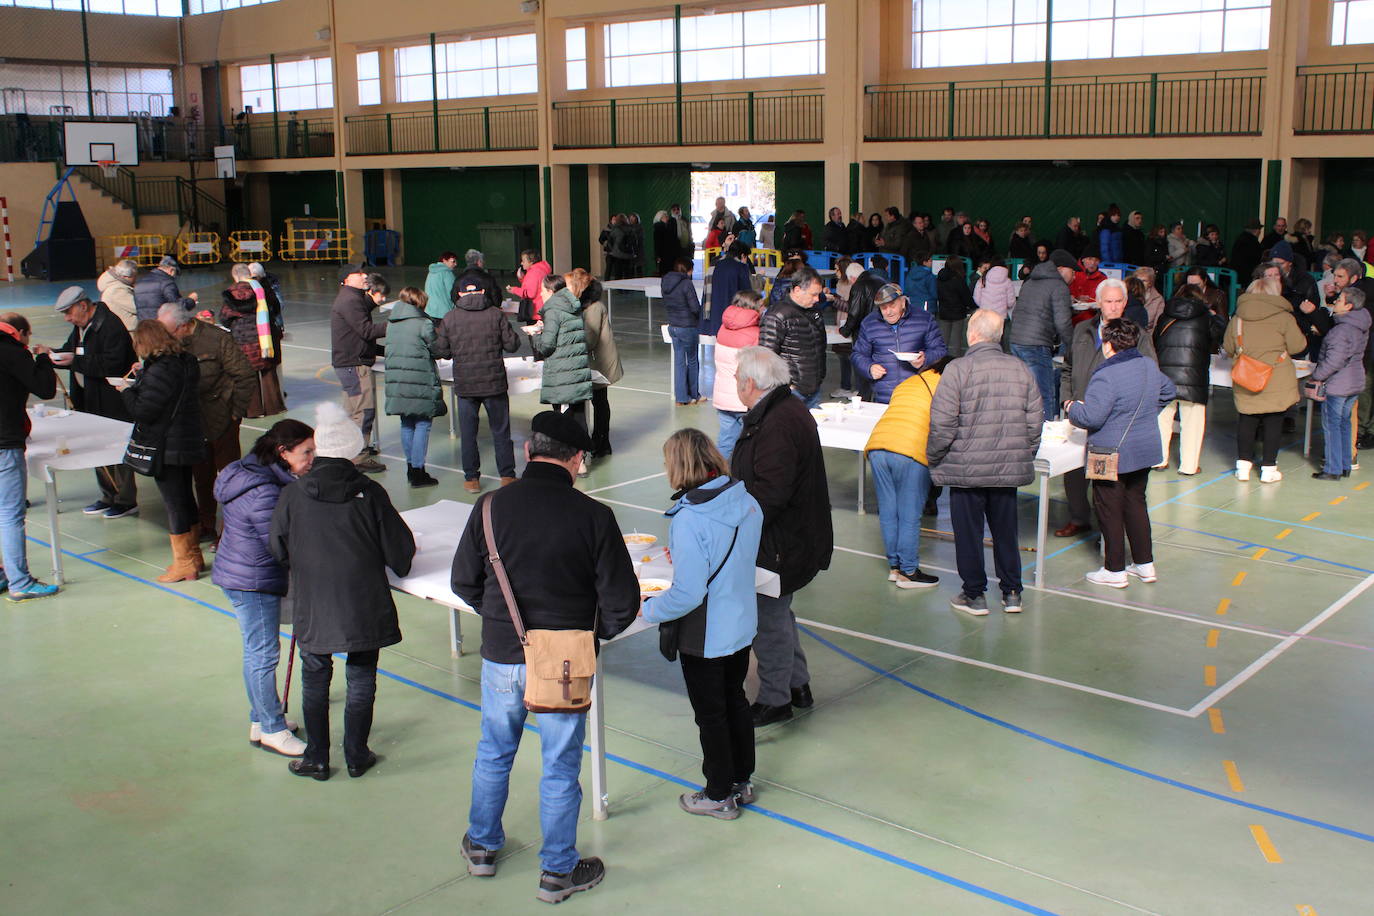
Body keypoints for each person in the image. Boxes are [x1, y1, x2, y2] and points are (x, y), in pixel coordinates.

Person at [451, 411, 639, 904]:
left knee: (494, 750)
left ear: (530, 452)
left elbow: (463, 582)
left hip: (502, 654)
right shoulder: (594, 517)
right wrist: (590, 634)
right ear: (576, 461)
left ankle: (482, 849)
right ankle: (557, 872)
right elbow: (622, 603)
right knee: (559, 765)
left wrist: (500, 622)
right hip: (566, 663)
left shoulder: (490, 507)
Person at [269, 402, 414, 781]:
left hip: (315, 604)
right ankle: (355, 753)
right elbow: (401, 554)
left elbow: (277, 549)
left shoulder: (293, 495)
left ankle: (317, 756)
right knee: (361, 676)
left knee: (315, 676)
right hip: (363, 603)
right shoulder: (370, 493)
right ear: (351, 449)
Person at [642, 428, 764, 820]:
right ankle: (741, 780)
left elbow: (688, 594)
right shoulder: (747, 503)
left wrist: (647, 610)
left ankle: (717, 793)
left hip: (706, 634)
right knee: (736, 701)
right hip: (741, 623)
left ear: (678, 467)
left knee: (710, 714)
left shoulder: (690, 520)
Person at [730, 347, 831, 725]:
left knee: (767, 618)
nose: (735, 382)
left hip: (778, 544)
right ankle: (798, 685)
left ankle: (775, 699)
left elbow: (770, 494)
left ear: (751, 383)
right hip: (795, 537)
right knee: (780, 613)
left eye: (737, 377)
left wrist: (733, 522)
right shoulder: (786, 410)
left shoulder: (775, 424)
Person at [212, 418, 315, 758]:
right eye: (307, 452)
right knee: (263, 654)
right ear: (283, 452)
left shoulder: (251, 472)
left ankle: (260, 719)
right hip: (252, 580)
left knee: (256, 651)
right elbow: (278, 542)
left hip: (241, 572)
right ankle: (272, 728)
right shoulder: (265, 491)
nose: (312, 458)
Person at [927, 310, 1042, 615]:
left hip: (966, 470)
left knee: (969, 535)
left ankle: (974, 595)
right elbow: (1035, 421)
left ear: (971, 334)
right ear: (999, 335)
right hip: (1007, 469)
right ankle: (1012, 592)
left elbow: (943, 423)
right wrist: (1025, 452)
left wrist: (935, 457)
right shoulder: (1020, 368)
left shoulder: (958, 370)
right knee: (1006, 532)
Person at [1065, 319, 1176, 588]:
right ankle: (1144, 564)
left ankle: (1114, 570)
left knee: (1109, 509)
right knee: (1136, 505)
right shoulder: (1147, 365)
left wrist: (1071, 407)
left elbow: (1091, 416)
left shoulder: (1106, 374)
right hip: (1143, 448)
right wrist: (1147, 412)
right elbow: (1169, 391)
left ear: (1108, 344)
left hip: (1109, 451)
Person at [1055, 278, 1158, 537]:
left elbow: (1150, 375)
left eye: (1118, 301)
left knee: (1107, 481)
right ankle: (1078, 518)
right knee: (1074, 472)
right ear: (1098, 302)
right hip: (1079, 413)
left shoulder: (1137, 336)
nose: (1113, 307)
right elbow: (1067, 368)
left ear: (1125, 303)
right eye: (1108, 301)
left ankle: (1107, 531)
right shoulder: (1082, 331)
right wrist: (1067, 400)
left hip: (1114, 421)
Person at [159, 302, 254, 543]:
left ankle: (232, 529)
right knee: (201, 476)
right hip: (192, 421)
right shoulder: (171, 342)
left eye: (170, 331)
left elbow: (244, 374)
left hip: (222, 417)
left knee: (229, 476)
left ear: (183, 326)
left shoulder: (218, 339)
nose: (167, 337)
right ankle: (207, 524)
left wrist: (235, 413)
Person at [122, 320, 207, 581]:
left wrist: (127, 391)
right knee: (185, 498)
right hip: (185, 439)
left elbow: (144, 410)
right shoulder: (186, 362)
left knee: (174, 503)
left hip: (166, 444)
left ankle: (184, 562)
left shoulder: (160, 370)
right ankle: (194, 557)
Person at [45, 286, 139, 518]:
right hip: (89, 399)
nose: (67, 318)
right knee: (96, 447)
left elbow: (112, 365)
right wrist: (52, 354)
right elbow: (71, 352)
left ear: (83, 306)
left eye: (69, 312)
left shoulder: (111, 326)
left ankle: (126, 499)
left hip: (112, 400)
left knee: (117, 449)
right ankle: (108, 495)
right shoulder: (81, 328)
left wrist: (75, 360)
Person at [865, 356, 950, 588]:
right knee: (909, 513)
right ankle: (909, 571)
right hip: (910, 448)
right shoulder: (948, 385)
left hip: (878, 446)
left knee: (889, 510)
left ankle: (895, 566)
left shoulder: (909, 382)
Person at [435, 277, 522, 491]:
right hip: (494, 384)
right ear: (482, 291)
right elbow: (512, 345)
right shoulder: (496, 315)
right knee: (501, 432)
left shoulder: (450, 318)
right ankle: (507, 476)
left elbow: (442, 351)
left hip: (466, 386)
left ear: (461, 294)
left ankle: (471, 479)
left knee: (468, 435)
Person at [1223, 276, 1307, 483]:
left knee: (1246, 420)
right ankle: (1268, 469)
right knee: (1273, 423)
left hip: (1246, 378)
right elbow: (1298, 346)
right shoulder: (1284, 318)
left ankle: (1243, 467)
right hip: (1277, 377)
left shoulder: (1238, 319)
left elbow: (1228, 347)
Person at [0, 313, 59, 601]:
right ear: (20, 333)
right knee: (10, 515)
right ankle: (20, 582)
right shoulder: (13, 353)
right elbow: (46, 389)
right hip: (4, 443)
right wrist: (44, 359)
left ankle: (4, 573)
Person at [1154, 284, 1225, 476]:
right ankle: (1189, 466)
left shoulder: (1165, 316)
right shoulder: (1205, 318)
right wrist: (1216, 316)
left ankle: (1158, 460)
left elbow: (1155, 341)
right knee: (1192, 424)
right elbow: (1219, 335)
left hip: (1164, 376)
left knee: (1162, 420)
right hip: (1194, 377)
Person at [382, 287, 444, 488]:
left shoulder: (392, 323)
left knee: (406, 423)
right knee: (423, 424)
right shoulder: (423, 323)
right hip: (420, 380)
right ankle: (418, 471)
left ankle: (411, 468)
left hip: (398, 379)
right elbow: (436, 349)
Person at [529, 271, 593, 456]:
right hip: (577, 370)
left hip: (562, 373)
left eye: (542, 290)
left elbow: (547, 346)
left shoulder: (552, 310)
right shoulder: (573, 306)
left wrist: (536, 336)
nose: (540, 294)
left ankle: (567, 457)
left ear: (550, 291)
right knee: (579, 416)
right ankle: (582, 457)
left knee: (563, 419)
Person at [330, 263, 386, 473]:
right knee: (363, 411)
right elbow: (366, 330)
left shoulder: (351, 298)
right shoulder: (350, 300)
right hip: (354, 364)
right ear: (347, 278)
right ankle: (358, 457)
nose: (364, 276)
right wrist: (397, 324)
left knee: (352, 410)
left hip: (349, 363)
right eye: (359, 273)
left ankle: (351, 450)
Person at [851, 283, 947, 404]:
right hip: (884, 396)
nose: (888, 312)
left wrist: (925, 359)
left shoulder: (924, 319)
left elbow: (940, 351)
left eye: (892, 306)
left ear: (902, 302)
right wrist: (869, 368)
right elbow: (858, 354)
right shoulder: (869, 323)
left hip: (917, 393)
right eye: (883, 308)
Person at [1311, 286, 1370, 480]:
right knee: (1345, 424)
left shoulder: (1341, 330)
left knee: (1332, 426)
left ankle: (1333, 468)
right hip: (1354, 380)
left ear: (1349, 306)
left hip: (1338, 384)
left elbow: (1334, 361)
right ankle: (1344, 464)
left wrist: (1317, 375)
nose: (1335, 302)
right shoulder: (1360, 324)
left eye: (1339, 300)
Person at [1010, 250, 1076, 422]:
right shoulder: (1059, 286)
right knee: (1044, 394)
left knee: (1023, 392)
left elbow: (1016, 312)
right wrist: (1074, 347)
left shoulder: (1031, 281)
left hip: (1016, 340)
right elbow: (1063, 323)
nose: (1074, 276)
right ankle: (1044, 435)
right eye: (1073, 271)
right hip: (1036, 344)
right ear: (1061, 268)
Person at [220, 263, 287, 419]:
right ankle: (274, 407)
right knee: (268, 372)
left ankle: (253, 411)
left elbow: (224, 317)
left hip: (243, 340)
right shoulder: (262, 289)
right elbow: (276, 308)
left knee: (248, 375)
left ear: (235, 275)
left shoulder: (232, 292)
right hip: (265, 339)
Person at [759, 265, 828, 409]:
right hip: (791, 392)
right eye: (813, 294)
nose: (817, 299)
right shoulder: (777, 316)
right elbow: (766, 356)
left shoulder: (814, 311)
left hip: (813, 388)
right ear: (797, 290)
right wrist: (786, 386)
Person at [713, 289, 764, 459]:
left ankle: (719, 479)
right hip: (744, 398)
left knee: (726, 441)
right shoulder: (755, 334)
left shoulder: (722, 329)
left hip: (722, 395)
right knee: (751, 445)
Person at [580, 277, 623, 459]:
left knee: (599, 402)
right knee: (600, 402)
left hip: (599, 362)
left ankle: (601, 441)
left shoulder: (593, 308)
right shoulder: (592, 306)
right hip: (598, 361)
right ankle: (600, 440)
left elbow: (590, 339)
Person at [663, 257, 703, 405]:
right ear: (688, 270)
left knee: (679, 361)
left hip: (673, 326)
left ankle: (681, 398)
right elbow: (695, 307)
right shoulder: (687, 284)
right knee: (692, 360)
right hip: (687, 327)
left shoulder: (665, 282)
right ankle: (694, 395)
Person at [933, 256, 975, 358]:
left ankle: (940, 361)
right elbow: (966, 296)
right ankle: (955, 363)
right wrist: (973, 306)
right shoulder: (958, 279)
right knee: (956, 341)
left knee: (943, 340)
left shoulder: (940, 277)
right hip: (958, 312)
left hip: (943, 311)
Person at [134, 255, 196, 322]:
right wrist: (191, 300)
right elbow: (178, 307)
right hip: (160, 326)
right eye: (176, 273)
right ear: (171, 270)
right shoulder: (167, 283)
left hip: (143, 325)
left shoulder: (139, 282)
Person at [508, 249, 552, 321]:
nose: (521, 263)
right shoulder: (542, 268)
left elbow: (530, 293)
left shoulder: (533, 273)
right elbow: (535, 284)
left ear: (531, 262)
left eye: (523, 261)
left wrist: (513, 290)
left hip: (535, 310)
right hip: (544, 306)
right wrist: (523, 278)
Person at [454, 249, 503, 314]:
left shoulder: (459, 279)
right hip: (485, 313)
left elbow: (454, 297)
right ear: (479, 262)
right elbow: (496, 298)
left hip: (464, 314)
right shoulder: (488, 278)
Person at [97, 258, 139, 330]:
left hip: (122, 327)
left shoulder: (115, 285)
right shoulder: (117, 290)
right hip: (128, 330)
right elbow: (137, 307)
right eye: (134, 276)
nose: (136, 279)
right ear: (125, 276)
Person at [424, 251, 459, 320]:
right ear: (444, 260)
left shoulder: (431, 272)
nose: (455, 264)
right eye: (453, 261)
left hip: (429, 311)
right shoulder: (447, 273)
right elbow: (453, 293)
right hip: (443, 313)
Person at [902, 249, 938, 314]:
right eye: (930, 260)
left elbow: (906, 291)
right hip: (928, 306)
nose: (932, 262)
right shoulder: (929, 276)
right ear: (924, 262)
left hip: (912, 305)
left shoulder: (910, 274)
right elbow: (934, 294)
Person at [1230, 219, 1265, 285]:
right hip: (1247, 278)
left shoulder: (1240, 238)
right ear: (1257, 231)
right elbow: (1257, 259)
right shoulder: (1253, 242)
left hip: (1236, 276)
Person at [653, 210, 682, 277]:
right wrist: (658, 255)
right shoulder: (658, 228)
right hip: (664, 254)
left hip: (670, 253)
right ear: (660, 218)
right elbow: (657, 243)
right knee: (665, 271)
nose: (667, 217)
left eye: (667, 216)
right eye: (664, 216)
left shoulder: (669, 226)